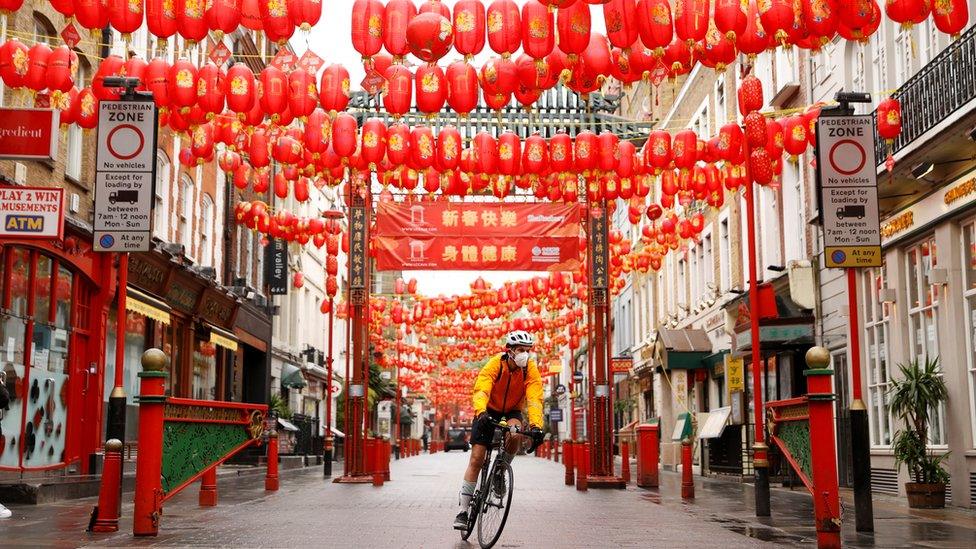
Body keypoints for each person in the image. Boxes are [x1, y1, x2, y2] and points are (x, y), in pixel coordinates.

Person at [453, 330, 543, 530]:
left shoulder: (530, 369)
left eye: (528, 351)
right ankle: (463, 511)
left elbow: (535, 398)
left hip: (512, 411)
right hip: (488, 411)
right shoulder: (495, 364)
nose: (525, 354)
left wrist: (537, 426)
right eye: (521, 350)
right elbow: (482, 388)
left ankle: (499, 471)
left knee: (516, 433)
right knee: (476, 459)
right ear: (509, 350)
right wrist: (481, 411)